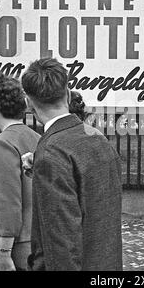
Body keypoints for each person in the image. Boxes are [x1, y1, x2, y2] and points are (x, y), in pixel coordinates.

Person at [21, 57, 123, 271]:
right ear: (67, 94)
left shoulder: (52, 152)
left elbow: (62, 244)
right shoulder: (98, 140)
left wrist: (43, 162)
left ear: (29, 103)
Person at [0, 73, 41, 271]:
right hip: (35, 237)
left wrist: (3, 253)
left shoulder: (3, 143)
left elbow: (8, 202)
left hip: (12, 244)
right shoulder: (36, 137)